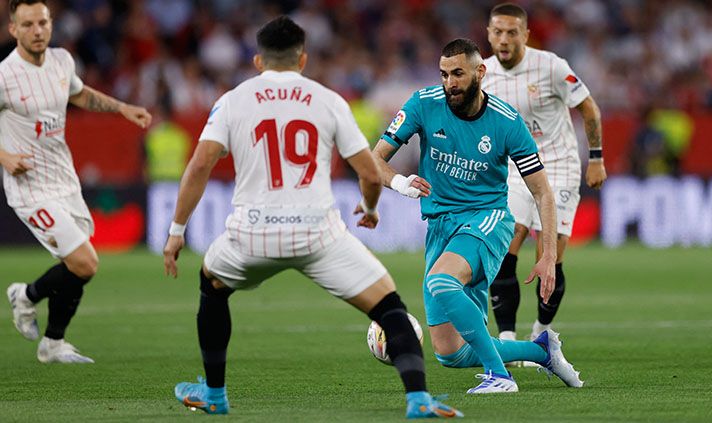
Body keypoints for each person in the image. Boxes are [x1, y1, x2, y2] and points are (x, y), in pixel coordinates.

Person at [162, 16, 461, 418]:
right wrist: (371, 209)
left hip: (252, 233)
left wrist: (177, 230)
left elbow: (199, 167)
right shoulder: (327, 100)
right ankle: (419, 399)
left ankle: (214, 394)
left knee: (212, 284)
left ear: (256, 61)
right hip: (317, 234)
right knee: (390, 307)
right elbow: (370, 172)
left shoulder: (232, 100)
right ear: (303, 59)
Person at [371, 38, 583, 394]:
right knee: (449, 352)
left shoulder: (506, 122)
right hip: (441, 227)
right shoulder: (424, 104)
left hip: (487, 220)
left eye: (457, 73)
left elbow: (542, 190)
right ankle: (540, 351)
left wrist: (547, 254)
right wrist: (398, 181)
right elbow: (374, 158)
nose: (450, 82)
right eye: (444, 74)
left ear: (479, 72)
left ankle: (500, 376)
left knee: (441, 281)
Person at [2, 0, 151, 364]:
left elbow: (79, 94)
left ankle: (47, 332)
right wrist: (4, 157)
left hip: (64, 180)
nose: (37, 31)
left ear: (51, 24)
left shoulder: (63, 61)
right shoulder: (4, 76)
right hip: (29, 188)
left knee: (77, 266)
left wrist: (121, 108)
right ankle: (30, 302)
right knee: (86, 263)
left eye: (42, 22)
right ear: (13, 30)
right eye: (28, 25)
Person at [483, 3, 607, 351]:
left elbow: (589, 108)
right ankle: (507, 339)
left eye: (511, 32)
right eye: (497, 32)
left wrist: (595, 158)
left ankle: (541, 331)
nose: (504, 39)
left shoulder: (551, 66)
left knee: (549, 253)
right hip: (512, 168)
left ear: (525, 34)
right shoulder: (482, 73)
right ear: (489, 34)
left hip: (558, 165)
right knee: (503, 246)